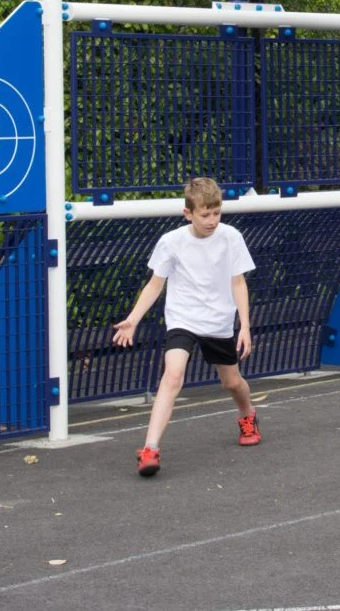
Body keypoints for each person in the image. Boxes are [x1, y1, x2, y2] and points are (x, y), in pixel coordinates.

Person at [111, 177, 260, 477]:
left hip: (218, 321)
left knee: (231, 382)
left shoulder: (231, 237)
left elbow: (238, 282)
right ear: (188, 213)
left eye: (216, 213)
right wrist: (133, 319)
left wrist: (244, 326)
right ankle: (150, 448)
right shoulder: (171, 242)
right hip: (183, 319)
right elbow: (155, 285)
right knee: (173, 375)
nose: (212, 220)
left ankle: (248, 415)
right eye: (205, 214)